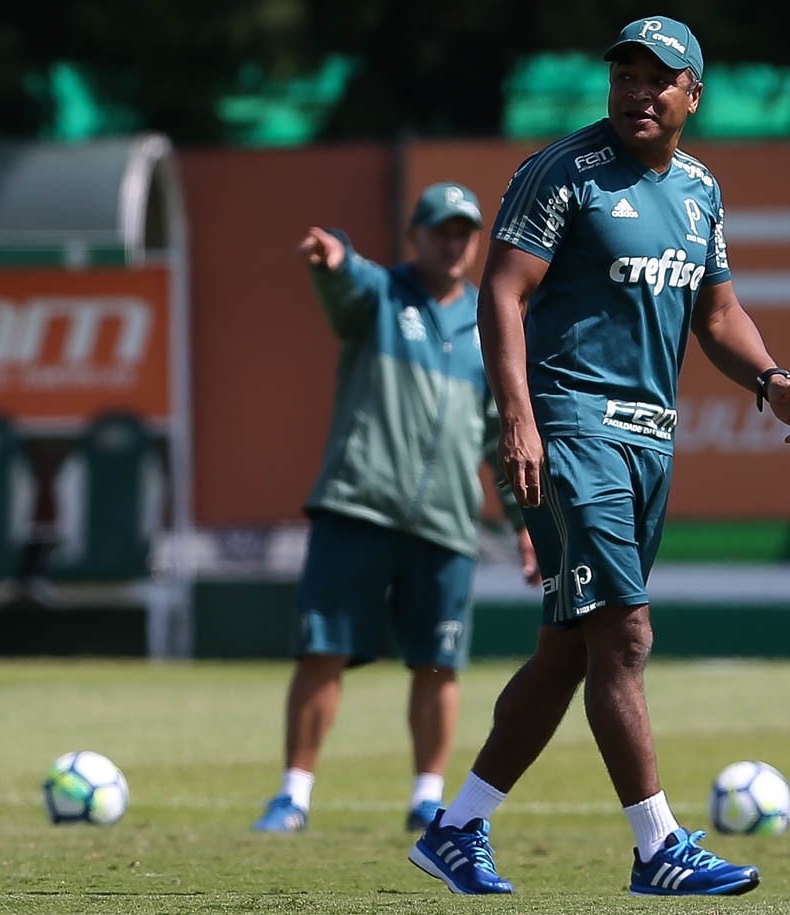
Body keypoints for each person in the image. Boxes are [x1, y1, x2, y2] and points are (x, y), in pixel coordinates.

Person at [407, 14, 790, 897]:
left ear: (692, 95)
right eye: (625, 76)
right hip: (571, 430)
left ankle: (457, 827)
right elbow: (502, 293)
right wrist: (518, 421)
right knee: (625, 636)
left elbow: (717, 314)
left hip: (648, 442)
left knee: (569, 650)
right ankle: (658, 845)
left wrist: (771, 376)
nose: (637, 92)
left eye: (657, 79)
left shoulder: (701, 189)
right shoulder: (563, 173)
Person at [252, 182, 540, 835]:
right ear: (415, 236)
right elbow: (346, 278)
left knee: (439, 662)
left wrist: (526, 523)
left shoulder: (487, 326)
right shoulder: (382, 295)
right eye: (441, 230)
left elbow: (501, 435)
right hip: (358, 505)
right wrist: (333, 255)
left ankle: (426, 797)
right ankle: (293, 794)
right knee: (323, 649)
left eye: (464, 232)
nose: (452, 243)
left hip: (445, 523)